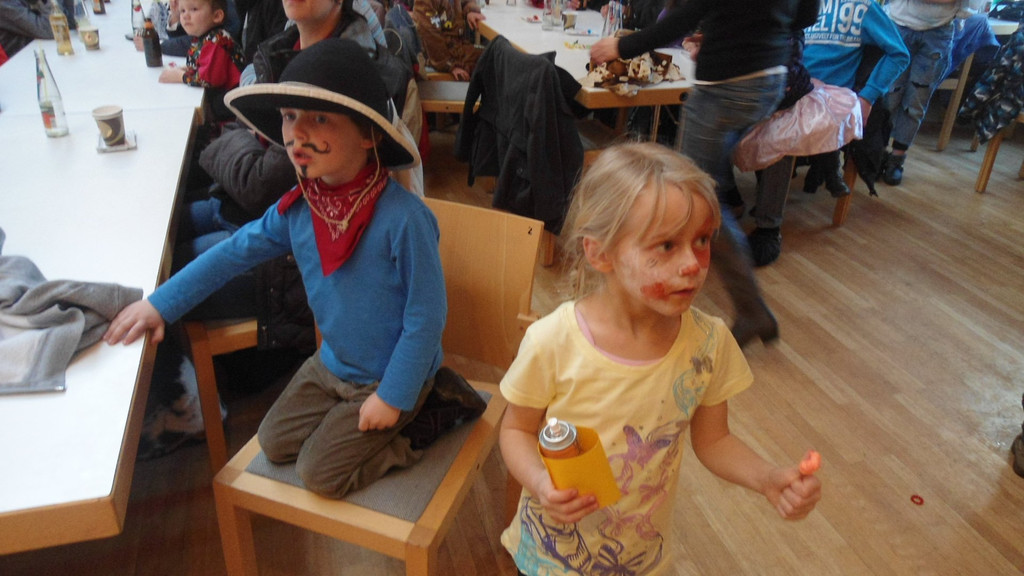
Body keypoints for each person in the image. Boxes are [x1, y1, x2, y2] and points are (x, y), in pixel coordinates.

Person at [104, 38, 481, 498]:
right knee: (274, 442)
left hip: (391, 375)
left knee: (319, 473)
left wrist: (393, 395)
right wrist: (160, 305)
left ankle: (427, 416)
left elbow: (427, 316)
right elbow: (233, 253)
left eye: (319, 119)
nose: (297, 134)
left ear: (368, 135)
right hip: (332, 365)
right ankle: (355, 417)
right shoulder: (300, 208)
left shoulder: (405, 219)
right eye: (288, 116)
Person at [498, 143, 823, 575]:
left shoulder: (707, 344)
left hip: (641, 557)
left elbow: (714, 441)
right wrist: (540, 482)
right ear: (600, 254)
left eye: (702, 240)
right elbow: (516, 429)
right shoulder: (552, 342)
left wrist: (767, 478)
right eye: (666, 245)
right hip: (553, 555)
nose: (692, 264)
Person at [590, 0, 819, 347]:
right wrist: (735, 27)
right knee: (704, 190)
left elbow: (682, 17)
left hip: (726, 86)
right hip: (769, 79)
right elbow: (806, 14)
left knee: (697, 200)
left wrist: (621, 46)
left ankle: (744, 307)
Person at [746, 0, 910, 266]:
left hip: (831, 99)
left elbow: (899, 54)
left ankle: (768, 227)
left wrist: (868, 96)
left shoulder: (864, 7)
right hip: (792, 85)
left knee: (781, 135)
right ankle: (741, 198)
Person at [880, 0, 983, 186]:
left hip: (939, 32)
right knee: (888, 96)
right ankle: (876, 153)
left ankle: (896, 159)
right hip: (898, 25)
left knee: (916, 101)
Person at [156, 0, 246, 90]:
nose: (185, 16)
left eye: (194, 9)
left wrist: (180, 76)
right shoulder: (203, 37)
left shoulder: (216, 42)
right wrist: (187, 69)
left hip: (230, 95)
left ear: (217, 16)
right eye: (182, 11)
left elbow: (207, 79)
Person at [412, 0, 484, 81]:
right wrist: (450, 66)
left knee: (490, 54)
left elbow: (466, 2)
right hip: (439, 57)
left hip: (457, 48)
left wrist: (470, 11)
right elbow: (429, 35)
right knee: (490, 59)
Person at [0, 0, 73, 57]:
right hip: (23, 63)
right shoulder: (4, 3)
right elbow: (52, 30)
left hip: (47, 51)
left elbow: (73, 18)